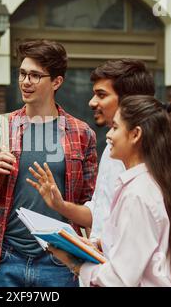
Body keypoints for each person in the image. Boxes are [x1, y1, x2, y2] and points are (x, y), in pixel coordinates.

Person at [28, 95, 171, 286]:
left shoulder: (137, 194)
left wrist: (74, 262)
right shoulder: (151, 183)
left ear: (135, 134)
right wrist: (97, 245)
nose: (108, 135)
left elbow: (120, 279)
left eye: (115, 128)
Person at [0, 40, 97, 287]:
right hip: (6, 259)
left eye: (35, 76)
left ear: (56, 82)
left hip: (59, 261)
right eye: (23, 74)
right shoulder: (1, 126)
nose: (26, 81)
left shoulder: (81, 133)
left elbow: (92, 202)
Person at [38, 59, 155, 240]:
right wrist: (60, 205)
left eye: (101, 95)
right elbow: (100, 213)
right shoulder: (112, 147)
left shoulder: (145, 156)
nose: (92, 102)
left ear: (130, 101)